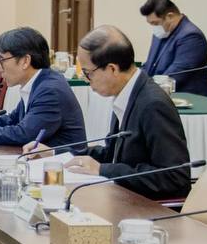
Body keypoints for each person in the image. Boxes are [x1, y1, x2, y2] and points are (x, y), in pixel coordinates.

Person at [66, 25, 191, 201]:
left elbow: (174, 176)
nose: (86, 80)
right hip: (124, 197)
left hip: (148, 207)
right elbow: (112, 154)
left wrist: (104, 170)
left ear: (112, 69)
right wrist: (62, 154)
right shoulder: (127, 93)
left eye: (88, 73)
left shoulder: (153, 105)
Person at [0, 27, 85, 149]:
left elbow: (24, 134)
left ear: (25, 61)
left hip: (63, 166)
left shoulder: (50, 90)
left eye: (2, 60)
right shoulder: (39, 82)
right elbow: (11, 120)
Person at [139, 0, 207, 97]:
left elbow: (173, 77)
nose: (154, 28)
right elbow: (149, 66)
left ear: (170, 16)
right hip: (161, 95)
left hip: (188, 99)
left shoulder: (191, 37)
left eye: (155, 23)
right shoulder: (161, 33)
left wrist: (143, 89)